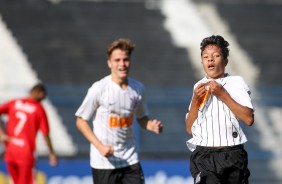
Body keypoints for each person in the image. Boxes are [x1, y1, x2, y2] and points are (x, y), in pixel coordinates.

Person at [75, 38, 163, 184]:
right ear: (109, 63)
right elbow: (80, 121)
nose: (122, 64)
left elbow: (142, 118)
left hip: (130, 159)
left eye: (125, 59)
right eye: (117, 60)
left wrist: (151, 125)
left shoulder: (138, 89)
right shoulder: (99, 89)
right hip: (104, 162)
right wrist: (100, 147)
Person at [185, 35, 254, 184]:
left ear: (225, 61)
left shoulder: (236, 82)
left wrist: (222, 94)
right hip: (204, 157)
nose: (210, 59)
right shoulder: (198, 87)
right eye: (205, 56)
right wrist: (196, 101)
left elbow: (248, 119)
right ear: (202, 62)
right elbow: (189, 128)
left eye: (216, 55)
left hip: (233, 155)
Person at [0, 83, 57, 184]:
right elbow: (45, 133)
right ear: (40, 93)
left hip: (11, 149)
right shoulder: (38, 109)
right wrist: (51, 153)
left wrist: (1, 134)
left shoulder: (15, 102)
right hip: (26, 151)